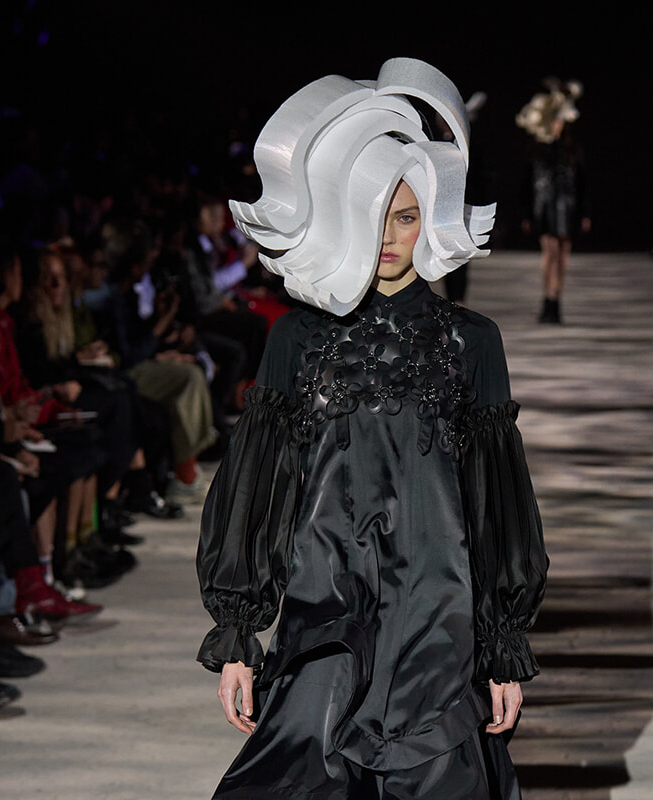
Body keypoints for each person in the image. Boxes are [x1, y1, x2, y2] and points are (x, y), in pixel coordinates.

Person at [196, 58, 547, 799]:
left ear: (434, 217)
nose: (390, 235)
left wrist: (505, 648)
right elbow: (260, 487)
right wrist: (239, 631)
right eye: (375, 211)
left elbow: (495, 506)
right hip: (326, 615)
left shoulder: (470, 341)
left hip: (438, 627)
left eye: (408, 214)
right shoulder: (296, 338)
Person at [517, 77, 590, 324]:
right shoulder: (538, 148)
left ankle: (555, 300)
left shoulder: (572, 149)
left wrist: (585, 213)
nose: (557, 125)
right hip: (545, 206)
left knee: (562, 256)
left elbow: (582, 183)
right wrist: (526, 213)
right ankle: (548, 300)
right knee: (549, 253)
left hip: (567, 208)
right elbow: (527, 182)